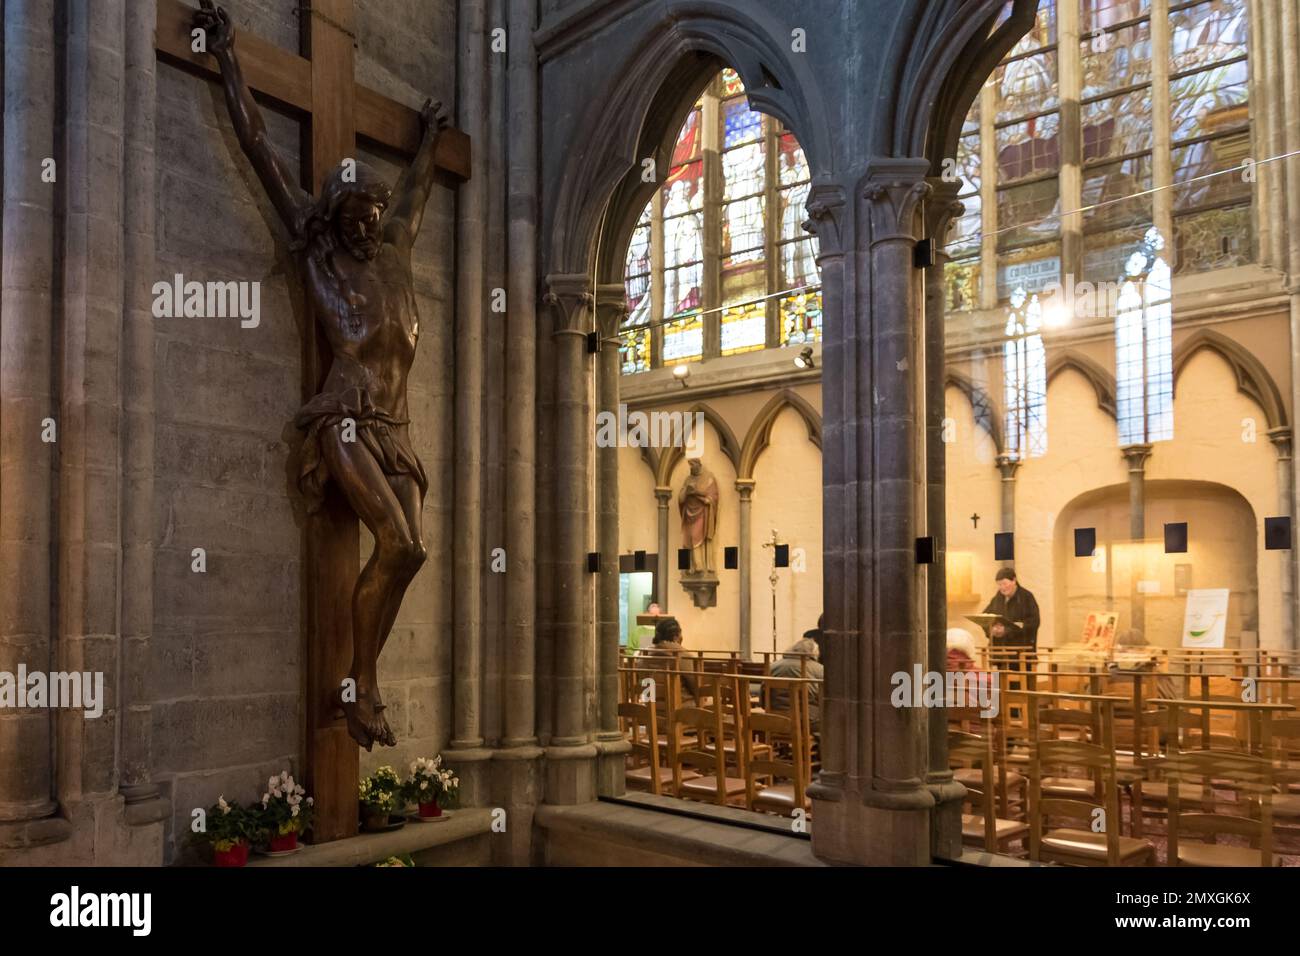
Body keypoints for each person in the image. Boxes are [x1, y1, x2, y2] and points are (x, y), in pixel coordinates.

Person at [769, 631, 824, 726]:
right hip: (807, 719)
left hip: (774, 716)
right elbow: (822, 697)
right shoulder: (819, 669)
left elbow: (763, 695)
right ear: (814, 652)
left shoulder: (772, 666)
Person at [982, 567, 1040, 654]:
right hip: (1000, 650)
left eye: (1004, 583)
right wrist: (992, 629)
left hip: (1021, 651)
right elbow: (985, 617)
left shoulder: (1026, 597)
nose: (1002, 587)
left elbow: (1034, 622)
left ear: (1014, 580)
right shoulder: (998, 598)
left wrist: (1007, 630)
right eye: (999, 584)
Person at [638, 617, 696, 700]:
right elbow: (695, 686)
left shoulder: (644, 654)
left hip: (649, 704)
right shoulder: (682, 654)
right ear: (676, 636)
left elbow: (641, 680)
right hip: (680, 706)